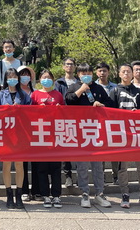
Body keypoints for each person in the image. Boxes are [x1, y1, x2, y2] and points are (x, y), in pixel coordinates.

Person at [109, 64, 140, 209]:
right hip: (122, 134)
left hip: (138, 134)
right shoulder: (114, 91)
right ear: (119, 74)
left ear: (132, 74)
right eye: (123, 71)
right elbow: (109, 112)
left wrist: (139, 112)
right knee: (123, 167)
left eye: (128, 71)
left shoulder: (138, 91)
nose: (126, 74)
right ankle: (125, 194)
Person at [65, 63, 113, 208]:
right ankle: (84, 193)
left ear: (92, 74)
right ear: (78, 75)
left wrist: (101, 105)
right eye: (83, 73)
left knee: (97, 165)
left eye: (88, 73)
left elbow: (109, 103)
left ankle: (99, 193)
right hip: (80, 131)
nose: (86, 75)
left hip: (96, 131)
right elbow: (69, 100)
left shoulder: (98, 88)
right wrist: (81, 90)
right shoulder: (73, 87)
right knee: (82, 165)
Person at [0, 68, 31, 209]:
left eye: (15, 76)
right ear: (5, 79)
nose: (12, 79)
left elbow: (31, 112)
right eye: (9, 77)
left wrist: (20, 109)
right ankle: (9, 195)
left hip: (20, 134)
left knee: (20, 164)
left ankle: (19, 195)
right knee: (7, 164)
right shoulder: (0, 95)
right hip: (5, 134)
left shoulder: (24, 95)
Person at [30, 69, 64, 209]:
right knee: (42, 167)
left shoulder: (58, 95)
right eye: (44, 77)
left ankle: (56, 195)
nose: (46, 80)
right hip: (41, 135)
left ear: (53, 80)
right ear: (40, 80)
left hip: (55, 134)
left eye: (49, 77)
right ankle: (45, 195)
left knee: (56, 168)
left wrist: (59, 109)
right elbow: (29, 113)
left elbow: (66, 113)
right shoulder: (35, 95)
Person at [54, 57, 78, 188]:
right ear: (63, 67)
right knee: (65, 147)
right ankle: (68, 175)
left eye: (72, 64)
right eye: (67, 64)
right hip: (63, 117)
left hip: (78, 117)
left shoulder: (79, 82)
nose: (69, 66)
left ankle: (80, 174)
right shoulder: (59, 83)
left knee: (79, 147)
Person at [18, 65, 40, 201]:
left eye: (27, 74)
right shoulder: (15, 92)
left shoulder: (36, 92)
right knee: (23, 162)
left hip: (36, 129)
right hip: (21, 130)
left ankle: (36, 190)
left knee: (36, 161)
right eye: (22, 74)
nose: (25, 77)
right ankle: (24, 190)